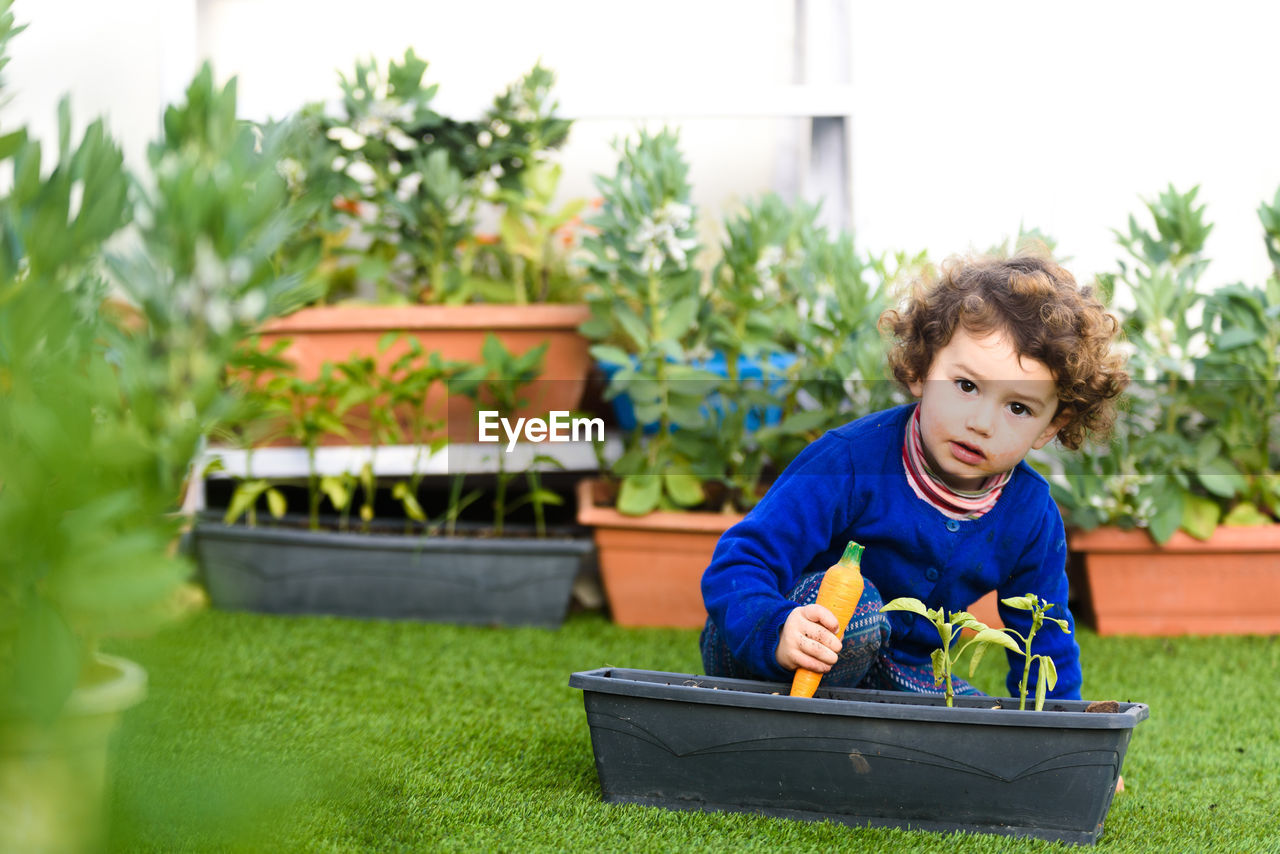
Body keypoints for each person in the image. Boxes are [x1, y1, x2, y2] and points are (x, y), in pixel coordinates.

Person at [700, 251, 1128, 700]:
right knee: (859, 612)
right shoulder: (850, 460)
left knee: (980, 725)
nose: (982, 422)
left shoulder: (1031, 515)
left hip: (900, 669)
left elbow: (1045, 644)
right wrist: (776, 628)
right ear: (921, 371)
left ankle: (865, 731)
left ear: (1051, 426)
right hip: (773, 645)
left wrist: (1068, 750)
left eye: (1018, 408)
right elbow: (740, 559)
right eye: (966, 386)